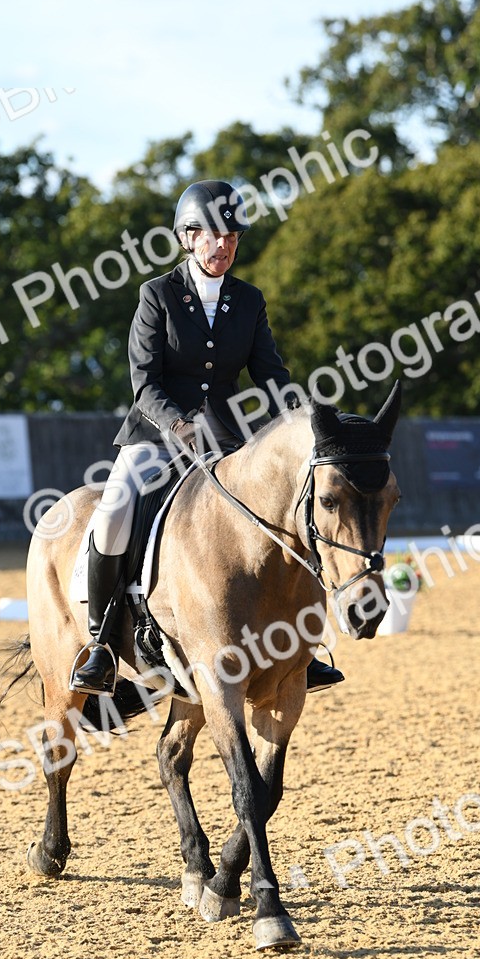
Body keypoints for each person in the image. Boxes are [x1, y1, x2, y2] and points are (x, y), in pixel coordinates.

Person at [71, 179, 344, 695]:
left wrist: (305, 416)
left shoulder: (249, 300)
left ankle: (299, 649)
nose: (225, 246)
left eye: (233, 237)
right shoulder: (156, 295)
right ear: (188, 238)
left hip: (228, 437)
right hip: (155, 434)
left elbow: (270, 372)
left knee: (285, 512)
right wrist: (177, 423)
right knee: (111, 516)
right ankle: (102, 644)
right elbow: (143, 381)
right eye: (214, 236)